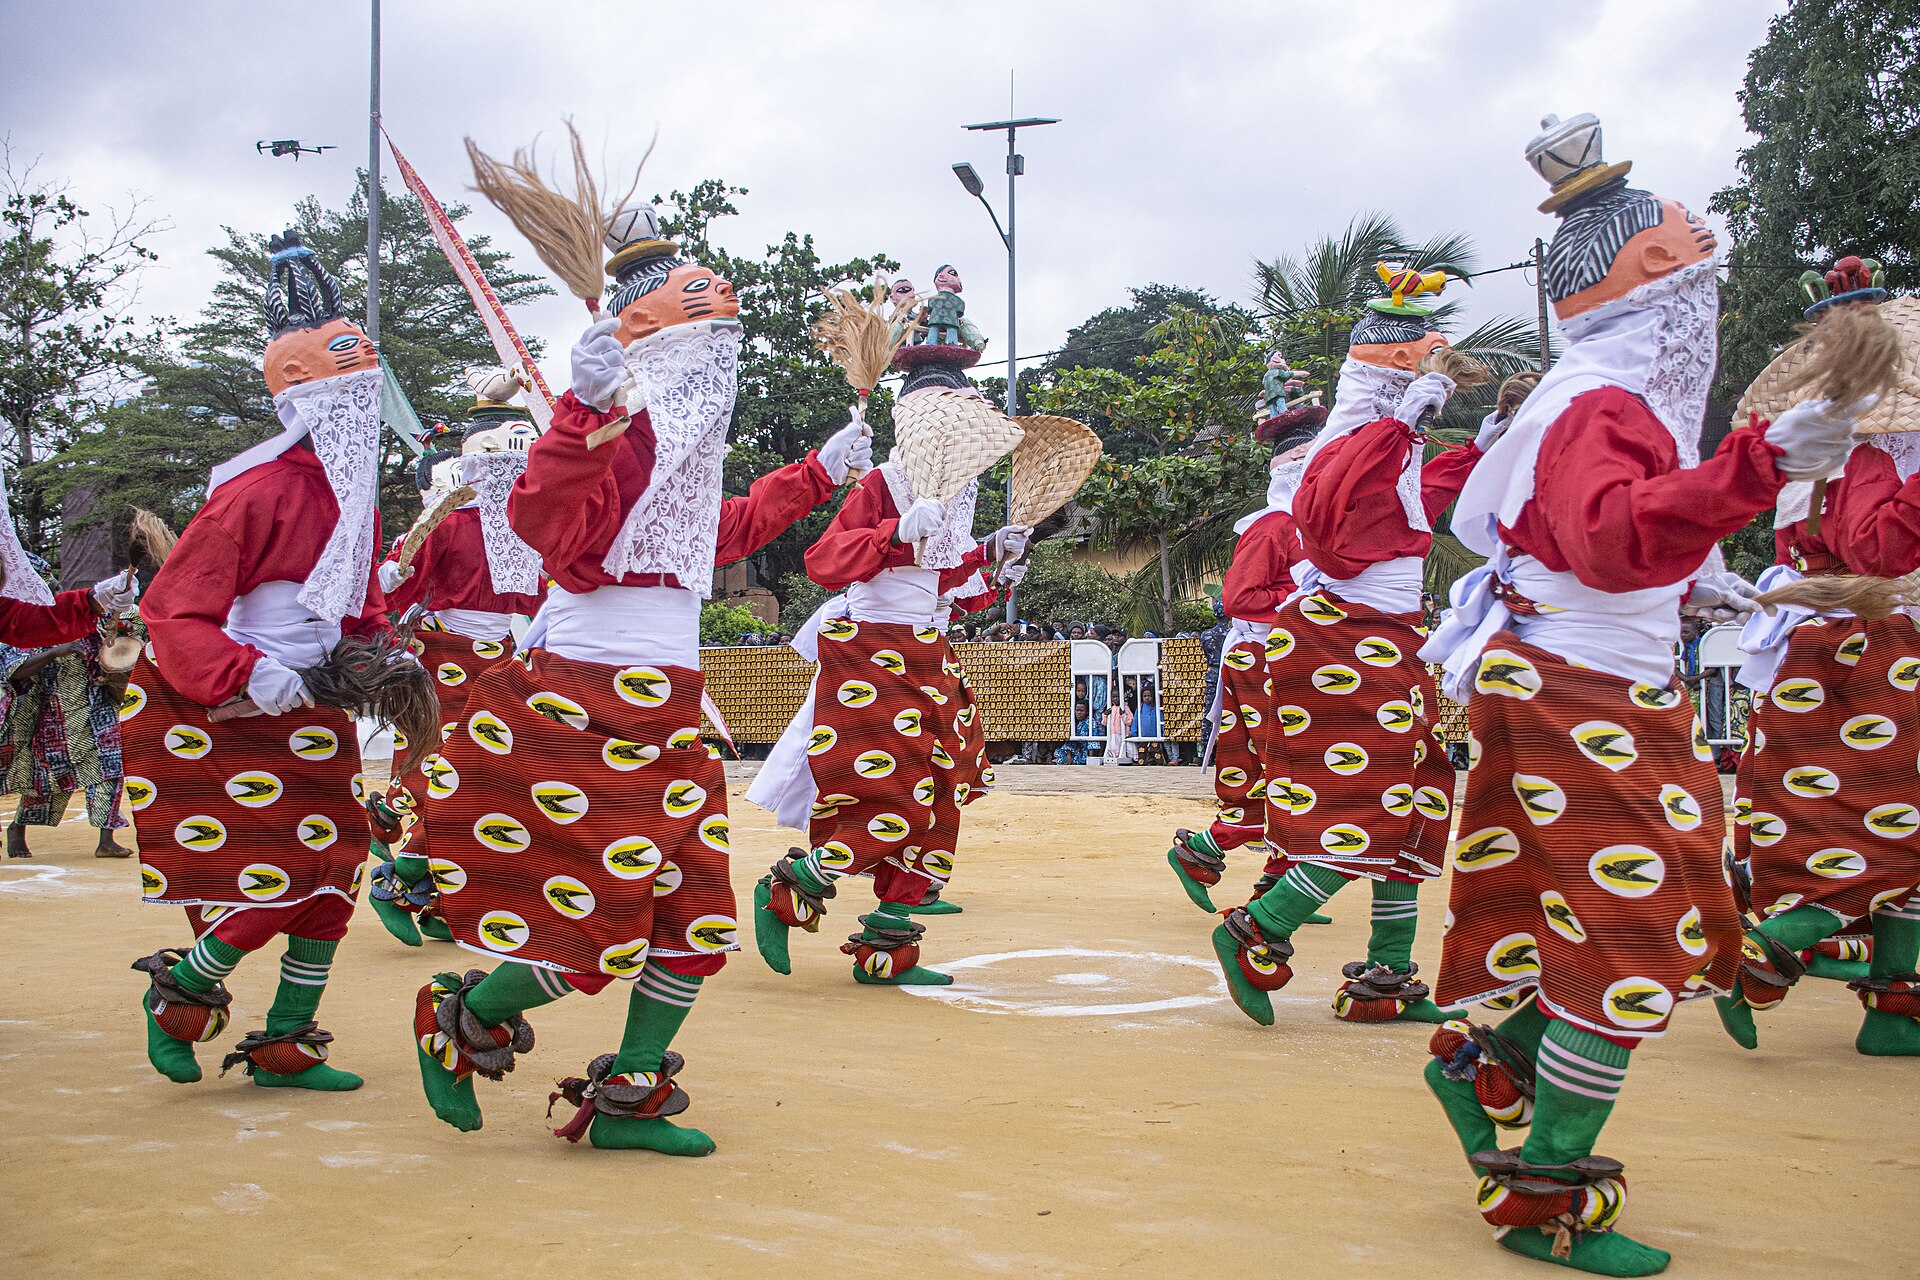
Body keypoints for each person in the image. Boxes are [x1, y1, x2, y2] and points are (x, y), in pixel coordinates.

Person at [1416, 113, 1862, 1275]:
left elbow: (1600, 546)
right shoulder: (1602, 398)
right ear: (1660, 275)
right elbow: (1611, 541)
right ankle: (1541, 1196)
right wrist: (1763, 464)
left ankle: (1496, 1066)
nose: (1703, 254)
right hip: (1580, 683)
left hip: (1597, 675)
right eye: (1689, 246)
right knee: (1630, 934)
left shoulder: (1603, 394)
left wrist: (1708, 579)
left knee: (1646, 918)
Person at [409, 206, 869, 1153]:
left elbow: (719, 533)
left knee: (694, 914)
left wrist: (817, 472)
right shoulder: (618, 419)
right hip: (589, 689)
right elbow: (543, 524)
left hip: (671, 697)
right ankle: (462, 1018)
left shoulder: (682, 442)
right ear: (654, 335)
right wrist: (581, 413)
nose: (724, 352)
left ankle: (629, 1091)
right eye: (710, 329)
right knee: (597, 913)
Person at [124, 231, 394, 1092]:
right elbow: (172, 610)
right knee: (273, 879)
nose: (363, 409)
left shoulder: (357, 499)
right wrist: (254, 674)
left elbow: (365, 610)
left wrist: (375, 664)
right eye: (346, 393)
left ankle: (286, 1042)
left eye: (368, 392)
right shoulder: (254, 492)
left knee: (335, 876)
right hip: (230, 711)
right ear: (302, 398)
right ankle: (184, 991)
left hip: (315, 713)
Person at [1209, 263, 1492, 1031]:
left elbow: (1414, 506)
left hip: (1384, 642)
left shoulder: (1386, 446)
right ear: (1397, 377)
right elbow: (1336, 534)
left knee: (1416, 801)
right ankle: (1258, 927)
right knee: (1365, 809)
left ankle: (1387, 978)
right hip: (1343, 642)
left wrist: (1481, 446)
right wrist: (1400, 427)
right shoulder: (1354, 443)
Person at [1716, 256, 1920, 1057]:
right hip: (1876, 650)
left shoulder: (1818, 461)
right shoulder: (1874, 463)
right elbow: (1875, 552)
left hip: (1824, 645)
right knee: (1891, 833)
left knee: (1872, 828)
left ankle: (1892, 1011)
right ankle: (1769, 953)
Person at [745, 441, 1027, 984]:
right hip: (870, 651)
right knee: (893, 794)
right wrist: (893, 533)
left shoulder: (954, 491)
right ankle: (794, 882)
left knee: (943, 794)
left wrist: (987, 555)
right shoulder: (884, 480)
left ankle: (886, 947)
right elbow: (824, 561)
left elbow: (939, 583)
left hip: (927, 652)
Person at [367, 368, 547, 948]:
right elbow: (400, 581)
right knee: (440, 769)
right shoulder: (448, 520)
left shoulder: (532, 528)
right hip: (446, 649)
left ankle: (449, 897)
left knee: (498, 779)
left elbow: (544, 592)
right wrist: (392, 574)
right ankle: (403, 872)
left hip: (507, 654)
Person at [1169, 411, 1321, 910]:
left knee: (1284, 771)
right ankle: (1210, 853)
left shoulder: (1308, 529)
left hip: (1291, 656)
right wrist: (1305, 602)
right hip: (1262, 658)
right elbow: (1238, 598)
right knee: (1288, 770)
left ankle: (1263, 878)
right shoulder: (1273, 526)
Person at [1, 622, 129, 858]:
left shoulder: (96, 626)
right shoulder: (31, 628)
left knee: (111, 768)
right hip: (53, 712)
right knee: (50, 779)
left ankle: (106, 839)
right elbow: (15, 671)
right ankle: (17, 828)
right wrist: (56, 651)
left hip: (99, 708)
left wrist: (120, 635)